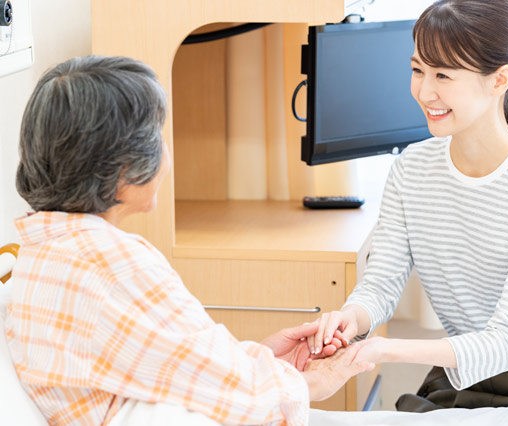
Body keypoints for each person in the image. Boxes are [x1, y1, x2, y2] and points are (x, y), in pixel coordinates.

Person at [4, 55, 372, 426]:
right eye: (158, 137)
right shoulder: (114, 265)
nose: (165, 151)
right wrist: (312, 382)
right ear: (122, 169)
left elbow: (168, 366)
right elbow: (240, 397)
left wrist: (263, 360)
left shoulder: (40, 254)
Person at [307, 0, 508, 413]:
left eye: (443, 75)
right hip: (465, 367)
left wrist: (383, 350)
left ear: (499, 80)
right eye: (418, 70)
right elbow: (381, 283)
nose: (424, 91)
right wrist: (352, 318)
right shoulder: (411, 170)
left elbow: (507, 340)